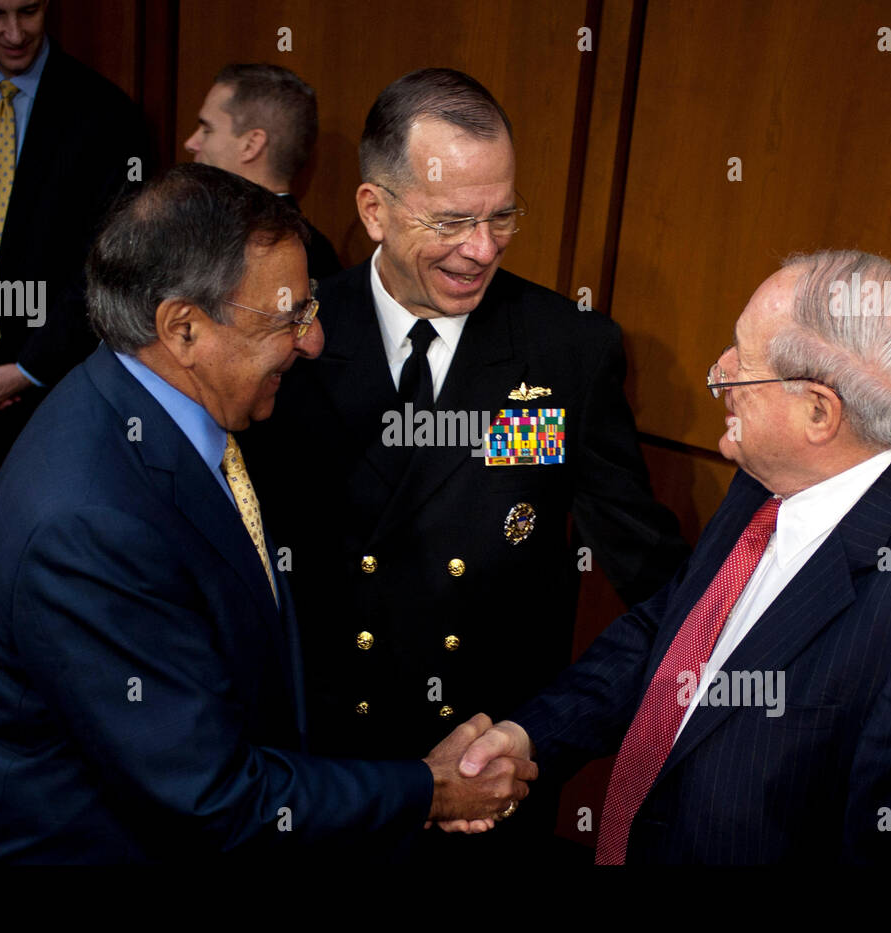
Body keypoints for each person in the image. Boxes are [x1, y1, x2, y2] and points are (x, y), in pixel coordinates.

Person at [0, 164, 535, 863]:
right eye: (289, 318)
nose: (312, 342)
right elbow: (208, 797)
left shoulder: (167, 412)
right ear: (184, 329)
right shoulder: (91, 523)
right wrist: (429, 791)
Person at [241, 68, 688, 857]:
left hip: (488, 784)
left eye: (502, 217)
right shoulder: (294, 339)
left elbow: (659, 581)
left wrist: (541, 738)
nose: (482, 251)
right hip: (321, 774)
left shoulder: (566, 354)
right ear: (374, 209)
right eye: (451, 221)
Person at [454, 250, 891, 864]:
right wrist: (530, 737)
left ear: (818, 412)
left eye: (742, 365)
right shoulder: (770, 476)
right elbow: (671, 633)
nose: (718, 373)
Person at [0, 0, 149, 566]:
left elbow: (109, 265)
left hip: (63, 382)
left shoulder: (106, 111)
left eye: (29, 11)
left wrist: (28, 369)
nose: (14, 33)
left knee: (52, 562)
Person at [184, 63, 341, 280]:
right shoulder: (316, 250)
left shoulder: (220, 247)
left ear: (251, 145)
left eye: (207, 129)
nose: (191, 143)